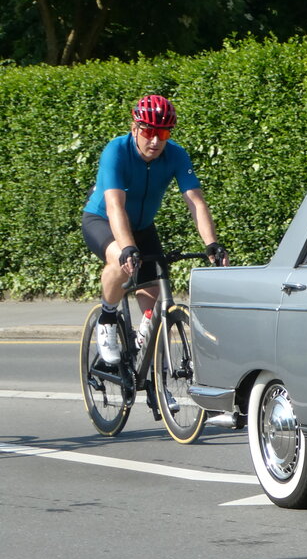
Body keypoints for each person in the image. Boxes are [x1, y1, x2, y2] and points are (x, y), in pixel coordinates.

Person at [82, 95, 228, 364]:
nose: (155, 141)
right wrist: (127, 248)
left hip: (143, 227)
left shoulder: (176, 154)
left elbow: (195, 200)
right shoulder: (116, 151)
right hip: (102, 220)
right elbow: (115, 205)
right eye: (149, 131)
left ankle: (151, 374)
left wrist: (212, 244)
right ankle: (107, 317)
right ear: (134, 128)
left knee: (154, 301)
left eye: (162, 133)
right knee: (118, 262)